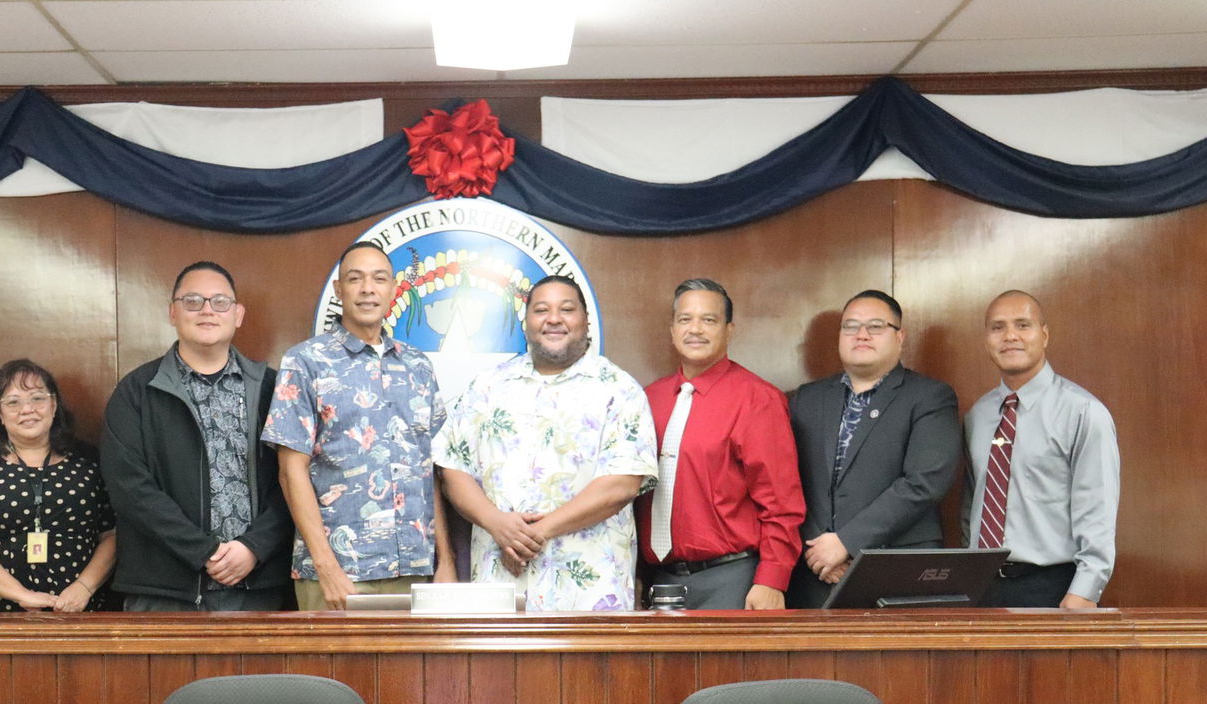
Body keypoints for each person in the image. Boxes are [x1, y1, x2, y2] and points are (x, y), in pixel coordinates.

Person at [434, 275, 657, 611]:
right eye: (541, 310)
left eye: (566, 309)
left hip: (590, 598)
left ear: (586, 321)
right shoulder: (487, 387)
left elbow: (621, 485)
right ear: (526, 323)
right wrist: (496, 523)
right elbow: (452, 470)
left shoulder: (620, 390)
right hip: (500, 592)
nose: (554, 319)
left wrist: (533, 534)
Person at [262, 241, 454, 609]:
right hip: (339, 577)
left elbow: (429, 470)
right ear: (339, 289)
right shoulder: (306, 361)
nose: (368, 289)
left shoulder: (418, 366)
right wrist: (327, 567)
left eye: (379, 279)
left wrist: (444, 561)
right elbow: (290, 471)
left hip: (415, 570)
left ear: (392, 289)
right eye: (355, 279)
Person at [101, 261, 292, 611]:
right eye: (192, 301)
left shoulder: (273, 389)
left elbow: (295, 480)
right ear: (172, 312)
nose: (207, 310)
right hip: (165, 592)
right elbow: (129, 487)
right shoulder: (137, 391)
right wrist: (202, 551)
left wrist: (255, 547)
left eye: (220, 302)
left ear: (238, 314)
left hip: (258, 586)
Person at [635, 279, 805, 609]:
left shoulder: (757, 400)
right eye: (685, 319)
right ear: (672, 330)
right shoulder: (648, 399)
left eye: (709, 320)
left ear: (729, 330)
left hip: (731, 580)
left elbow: (781, 501)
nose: (695, 329)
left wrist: (772, 579)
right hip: (660, 582)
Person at [787, 290, 961, 607]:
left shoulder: (930, 397)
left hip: (895, 570)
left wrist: (847, 542)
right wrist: (819, 550)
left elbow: (925, 482)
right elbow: (787, 480)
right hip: (816, 572)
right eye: (851, 326)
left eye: (876, 326)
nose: (862, 335)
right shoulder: (807, 398)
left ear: (900, 337)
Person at [963, 290, 1119, 608]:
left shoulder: (1083, 412)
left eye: (1023, 325)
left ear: (1044, 335)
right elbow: (971, 506)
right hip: (982, 588)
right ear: (986, 339)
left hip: (1055, 588)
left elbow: (1098, 511)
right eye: (997, 327)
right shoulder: (978, 415)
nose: (1010, 336)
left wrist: (1084, 592)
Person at [0, 359, 115, 612]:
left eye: (37, 398)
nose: (27, 409)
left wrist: (84, 587)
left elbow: (113, 535)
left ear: (54, 405)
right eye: (13, 402)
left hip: (79, 609)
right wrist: (21, 595)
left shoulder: (88, 461)